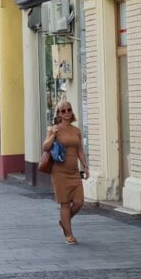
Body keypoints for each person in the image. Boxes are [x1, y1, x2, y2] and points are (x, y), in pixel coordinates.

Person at [43, 101, 90, 245]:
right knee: (64, 203)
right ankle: (69, 234)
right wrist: (53, 135)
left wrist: (85, 166)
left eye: (69, 110)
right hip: (59, 172)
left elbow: (80, 150)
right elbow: (45, 147)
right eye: (63, 111)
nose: (66, 113)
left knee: (78, 202)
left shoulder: (76, 130)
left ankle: (64, 221)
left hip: (74, 171)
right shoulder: (53, 129)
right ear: (58, 113)